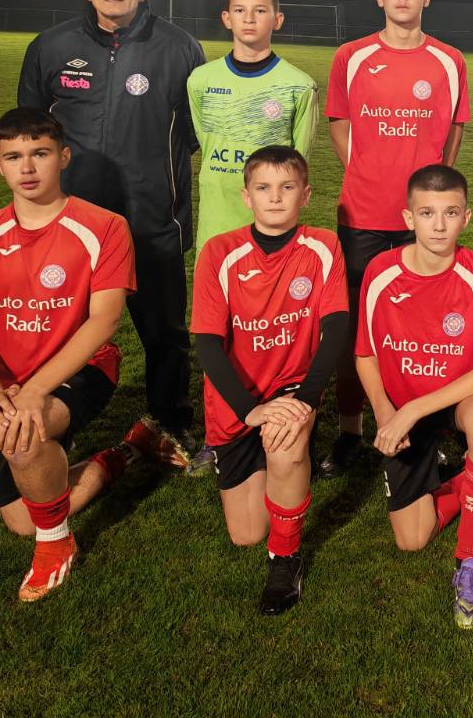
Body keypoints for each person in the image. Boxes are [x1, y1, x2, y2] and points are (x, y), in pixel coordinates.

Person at [0, 108, 183, 602]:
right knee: (20, 519)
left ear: (64, 157)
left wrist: (32, 393)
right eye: (14, 157)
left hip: (84, 369)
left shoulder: (105, 227)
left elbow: (104, 321)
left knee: (23, 435)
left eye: (40, 153)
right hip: (8, 385)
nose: (28, 167)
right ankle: (126, 451)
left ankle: (55, 545)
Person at [18, 0, 206, 460]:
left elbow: (194, 135)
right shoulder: (50, 46)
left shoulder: (180, 48)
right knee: (62, 328)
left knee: (165, 330)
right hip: (73, 222)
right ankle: (60, 417)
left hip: (153, 217)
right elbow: (31, 133)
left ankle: (171, 421)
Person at [322, 0, 469, 477]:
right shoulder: (352, 56)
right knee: (356, 328)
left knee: (426, 329)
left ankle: (428, 428)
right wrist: (366, 172)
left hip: (426, 221)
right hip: (363, 215)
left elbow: (453, 132)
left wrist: (429, 196)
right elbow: (339, 123)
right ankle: (350, 430)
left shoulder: (450, 61)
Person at [190, 146, 350, 615]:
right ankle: (281, 467)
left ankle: (285, 559)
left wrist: (306, 399)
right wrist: (249, 410)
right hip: (237, 401)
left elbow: (337, 327)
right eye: (263, 187)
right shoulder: (220, 252)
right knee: (246, 534)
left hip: (291, 386)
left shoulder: (323, 246)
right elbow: (207, 344)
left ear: (306, 195)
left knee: (287, 440)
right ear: (247, 196)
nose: (275, 197)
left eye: (287, 187)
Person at [354, 164, 473, 629]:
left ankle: (470, 561)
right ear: (408, 218)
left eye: (450, 213)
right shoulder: (381, 273)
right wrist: (385, 412)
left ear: (467, 217)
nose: (439, 225)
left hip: (455, 401)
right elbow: (365, 354)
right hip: (401, 409)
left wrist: (413, 410)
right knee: (413, 540)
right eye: (427, 213)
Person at [187, 0, 318, 253]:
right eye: (239, 10)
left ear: (277, 20)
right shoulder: (200, 80)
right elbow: (203, 138)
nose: (248, 19)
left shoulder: (299, 85)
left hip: (271, 220)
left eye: (259, 11)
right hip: (216, 216)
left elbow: (299, 161)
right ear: (226, 18)